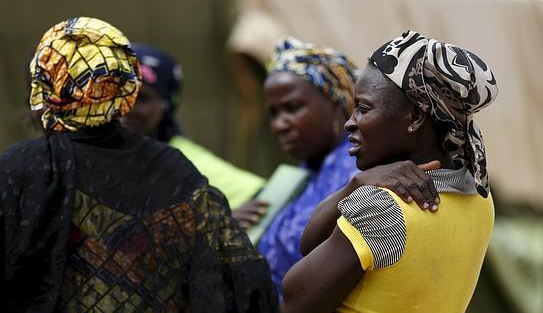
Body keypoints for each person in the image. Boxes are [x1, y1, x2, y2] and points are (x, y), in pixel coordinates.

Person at [1, 17, 277, 312]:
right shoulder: (173, 168)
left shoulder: (21, 167)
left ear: (46, 88)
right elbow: (246, 281)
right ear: (127, 84)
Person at [281, 30, 499, 312]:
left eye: (363, 108)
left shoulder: (384, 207)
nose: (350, 122)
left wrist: (360, 192)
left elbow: (294, 299)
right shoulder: (480, 196)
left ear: (416, 117)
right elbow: (308, 243)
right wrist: (355, 184)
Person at [250, 37, 440, 300]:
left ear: (336, 103)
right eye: (273, 113)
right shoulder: (300, 176)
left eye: (292, 108)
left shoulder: (365, 170)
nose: (279, 124)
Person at [120, 43, 265, 209]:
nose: (125, 107)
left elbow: (269, 200)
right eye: (115, 93)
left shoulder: (184, 164)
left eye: (142, 98)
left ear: (167, 105)